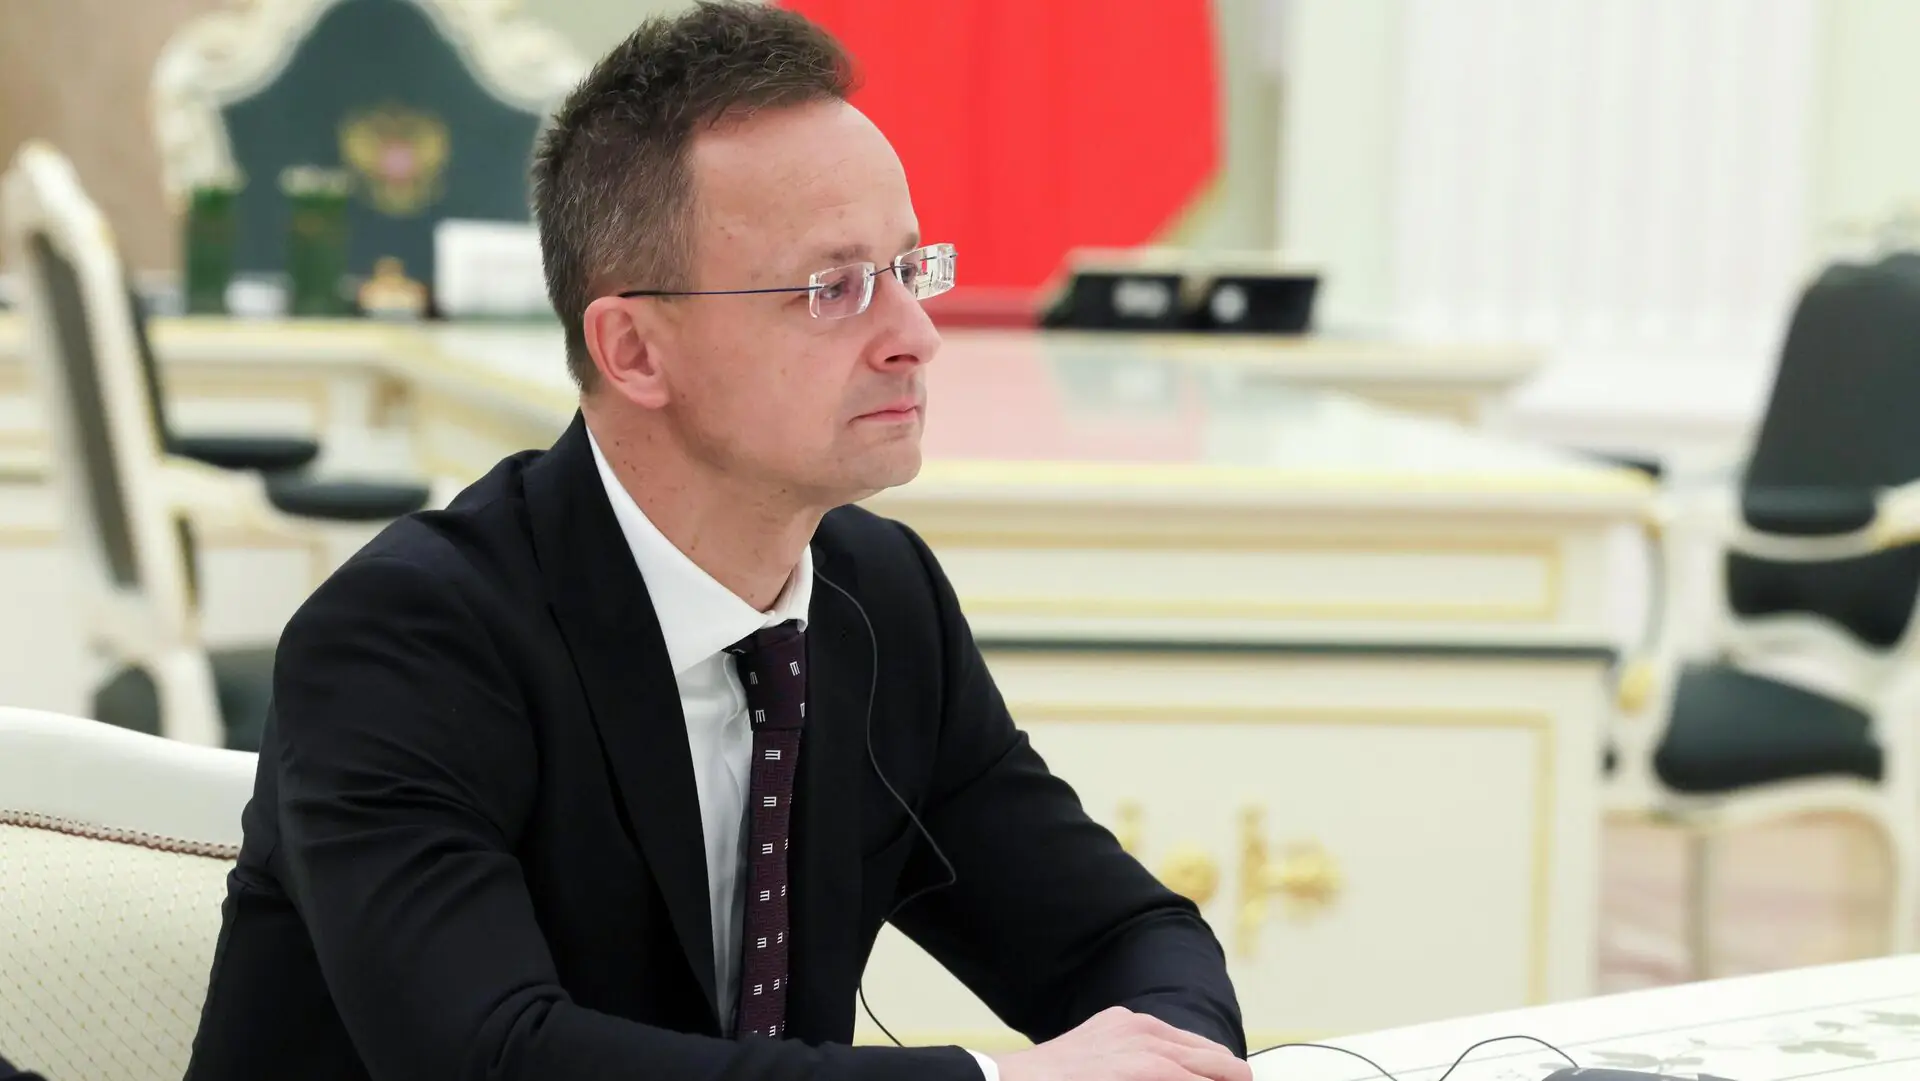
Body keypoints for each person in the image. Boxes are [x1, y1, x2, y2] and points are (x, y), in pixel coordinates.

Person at [183, 4, 1246, 1079]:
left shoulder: (883, 601)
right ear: (635, 349)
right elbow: (496, 1058)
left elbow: (1123, 938)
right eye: (835, 288)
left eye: (909, 268)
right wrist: (996, 1080)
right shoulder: (407, 638)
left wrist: (1172, 1064)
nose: (916, 336)